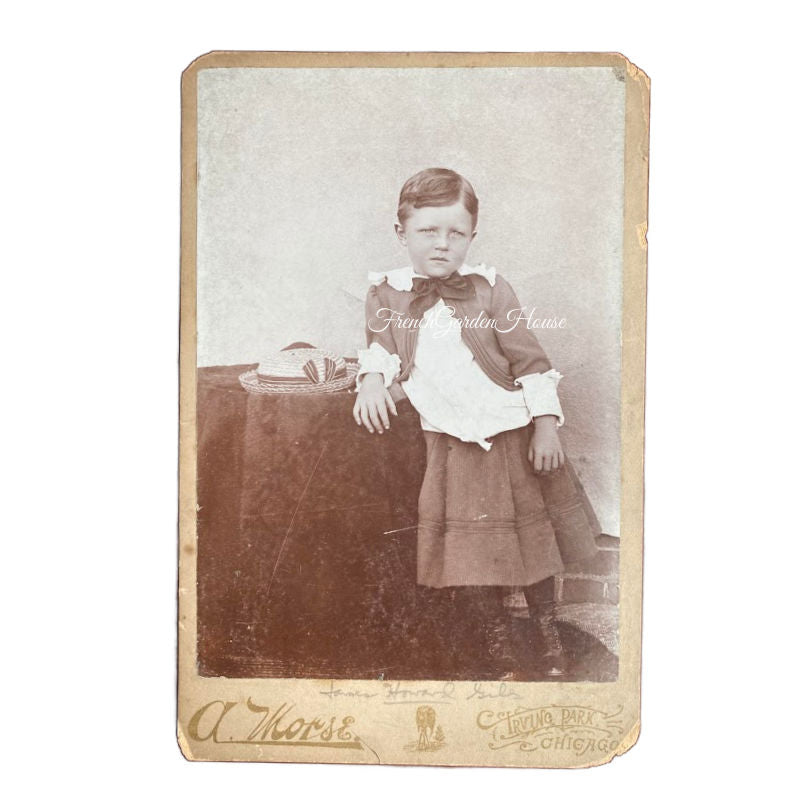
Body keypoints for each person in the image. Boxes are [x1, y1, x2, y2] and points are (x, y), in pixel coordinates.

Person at [352, 168, 599, 679]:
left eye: (456, 233)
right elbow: (380, 350)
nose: (442, 245)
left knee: (533, 544)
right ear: (401, 233)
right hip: (450, 441)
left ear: (471, 237)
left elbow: (530, 362)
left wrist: (546, 425)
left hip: (511, 434)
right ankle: (497, 644)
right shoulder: (386, 294)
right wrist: (372, 383)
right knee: (471, 549)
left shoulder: (490, 289)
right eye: (428, 231)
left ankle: (547, 634)